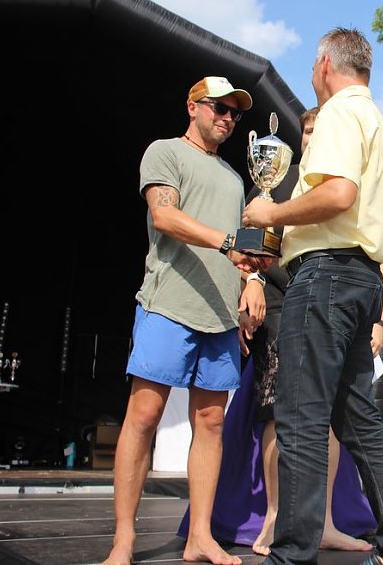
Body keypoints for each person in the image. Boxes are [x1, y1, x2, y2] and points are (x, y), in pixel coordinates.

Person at [241, 27, 383, 565]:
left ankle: (292, 553)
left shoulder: (341, 112)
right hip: (360, 277)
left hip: (325, 278)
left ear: (324, 62)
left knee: (300, 418)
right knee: (359, 420)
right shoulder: (378, 122)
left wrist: (270, 213)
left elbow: (338, 194)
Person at [176, 106, 377, 556]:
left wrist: (378, 318)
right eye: (307, 130)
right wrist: (251, 284)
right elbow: (247, 243)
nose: (312, 137)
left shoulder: (341, 182)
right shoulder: (276, 179)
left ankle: (322, 521)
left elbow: (373, 247)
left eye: (319, 129)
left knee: (327, 418)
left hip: (331, 310)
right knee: (276, 412)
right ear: (300, 136)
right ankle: (273, 517)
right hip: (282, 307)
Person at [103, 76, 267, 565]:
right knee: (144, 417)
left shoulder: (237, 180)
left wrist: (252, 281)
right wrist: (226, 243)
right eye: (219, 107)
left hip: (219, 317)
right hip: (167, 306)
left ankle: (199, 537)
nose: (228, 118)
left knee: (211, 423)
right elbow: (165, 218)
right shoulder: (165, 152)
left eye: (235, 113)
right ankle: (124, 540)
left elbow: (240, 251)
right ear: (192, 106)